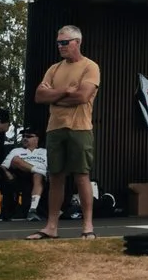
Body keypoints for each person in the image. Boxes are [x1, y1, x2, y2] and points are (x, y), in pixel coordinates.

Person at [30, 24, 102, 238]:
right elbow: (39, 97)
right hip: (55, 128)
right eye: (58, 43)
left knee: (82, 175)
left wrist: (54, 97)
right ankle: (51, 227)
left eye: (65, 42)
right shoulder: (54, 69)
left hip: (80, 128)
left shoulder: (90, 67)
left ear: (77, 42)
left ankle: (87, 226)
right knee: (56, 177)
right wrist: (64, 91)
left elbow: (82, 97)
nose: (60, 46)